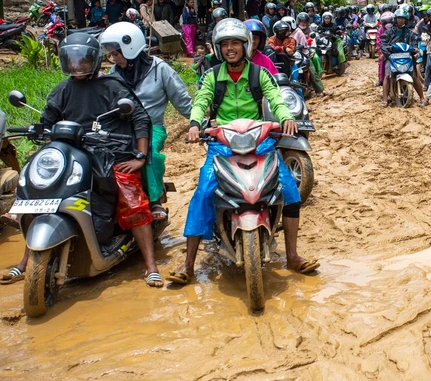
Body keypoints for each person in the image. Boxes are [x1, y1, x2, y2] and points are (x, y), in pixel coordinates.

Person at [0, 33, 162, 287]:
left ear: (94, 60)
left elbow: (140, 118)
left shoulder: (112, 86)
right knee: (39, 195)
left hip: (110, 154)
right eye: (72, 60)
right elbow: (48, 120)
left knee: (131, 199)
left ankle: (151, 266)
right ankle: (25, 262)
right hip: (70, 155)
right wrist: (38, 129)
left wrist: (140, 156)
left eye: (82, 60)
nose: (77, 65)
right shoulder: (62, 89)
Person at [168, 19, 317, 284]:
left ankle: (293, 255)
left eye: (235, 43)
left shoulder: (260, 74)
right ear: (218, 48)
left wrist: (286, 118)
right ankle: (188, 263)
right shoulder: (212, 76)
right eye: (225, 44)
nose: (230, 49)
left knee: (290, 191)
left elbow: (275, 97)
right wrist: (194, 124)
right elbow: (201, 100)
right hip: (222, 143)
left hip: (260, 142)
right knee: (203, 191)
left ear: (245, 45)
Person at [100, 22, 192, 222]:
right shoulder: (114, 74)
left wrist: (197, 123)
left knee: (149, 151)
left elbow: (182, 101)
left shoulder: (160, 69)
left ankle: (154, 199)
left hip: (153, 127)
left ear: (130, 49)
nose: (113, 58)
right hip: (122, 130)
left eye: (116, 53)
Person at [381, 6, 425, 107]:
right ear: (395, 20)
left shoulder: (410, 33)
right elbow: (383, 43)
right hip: (392, 57)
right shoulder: (389, 32)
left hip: (407, 58)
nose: (400, 20)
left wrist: (415, 49)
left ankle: (422, 97)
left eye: (403, 19)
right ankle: (384, 99)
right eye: (399, 18)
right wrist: (387, 53)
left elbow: (414, 43)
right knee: (387, 75)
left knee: (414, 76)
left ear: (405, 20)